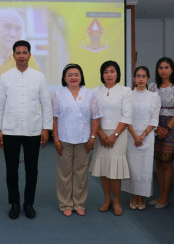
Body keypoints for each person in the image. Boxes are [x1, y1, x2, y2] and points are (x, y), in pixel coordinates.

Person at [0, 40, 53, 219]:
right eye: (17, 53)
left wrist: (46, 128)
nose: (21, 56)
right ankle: (15, 203)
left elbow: (46, 104)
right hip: (9, 130)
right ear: (13, 55)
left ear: (29, 55)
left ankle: (29, 203)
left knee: (31, 170)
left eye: (24, 52)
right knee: (11, 170)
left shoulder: (39, 77)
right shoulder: (5, 77)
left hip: (33, 130)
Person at [52, 64, 102, 217]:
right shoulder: (57, 94)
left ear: (81, 77)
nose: (73, 77)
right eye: (70, 75)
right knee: (65, 173)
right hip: (64, 139)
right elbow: (54, 119)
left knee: (80, 173)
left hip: (84, 140)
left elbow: (95, 118)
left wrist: (93, 137)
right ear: (64, 78)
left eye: (76, 74)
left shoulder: (90, 94)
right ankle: (66, 203)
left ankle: (79, 203)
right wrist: (56, 140)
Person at [89, 60, 132, 216]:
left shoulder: (125, 91)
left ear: (117, 74)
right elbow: (93, 115)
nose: (109, 75)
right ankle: (107, 199)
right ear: (102, 74)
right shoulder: (94, 91)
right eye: (106, 71)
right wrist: (100, 134)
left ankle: (117, 201)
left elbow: (127, 116)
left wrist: (113, 135)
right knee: (104, 168)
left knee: (115, 169)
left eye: (112, 71)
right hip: (100, 134)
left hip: (118, 135)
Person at [149, 57, 174, 209]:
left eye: (166, 67)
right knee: (158, 161)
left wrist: (167, 128)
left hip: (171, 127)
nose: (163, 70)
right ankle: (161, 195)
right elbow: (150, 109)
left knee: (166, 161)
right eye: (160, 67)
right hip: (156, 126)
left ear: (172, 70)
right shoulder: (153, 87)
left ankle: (166, 197)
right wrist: (157, 127)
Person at [121, 66, 161, 210]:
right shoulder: (128, 95)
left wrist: (143, 135)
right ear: (134, 78)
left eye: (144, 76)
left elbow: (154, 119)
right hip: (131, 135)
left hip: (147, 136)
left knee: (145, 168)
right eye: (138, 76)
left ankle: (141, 196)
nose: (141, 79)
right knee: (133, 167)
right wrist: (135, 135)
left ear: (148, 78)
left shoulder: (154, 96)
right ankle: (134, 195)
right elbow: (126, 117)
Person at [0, 9, 39, 83]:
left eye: (18, 28)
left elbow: (37, 90)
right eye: (7, 27)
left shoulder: (28, 61)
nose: (13, 34)